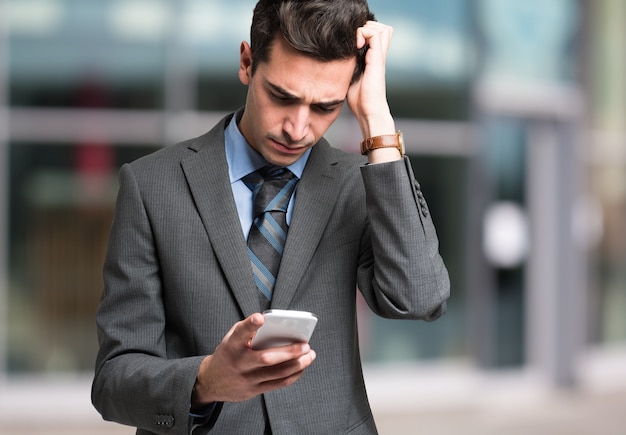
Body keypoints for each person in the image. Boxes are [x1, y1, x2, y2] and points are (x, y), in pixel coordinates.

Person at [91, 0, 450, 433]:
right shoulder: (152, 185)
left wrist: (376, 118)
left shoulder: (361, 183)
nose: (297, 129)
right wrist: (205, 381)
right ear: (247, 62)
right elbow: (114, 379)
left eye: (325, 107)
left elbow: (420, 298)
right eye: (282, 96)